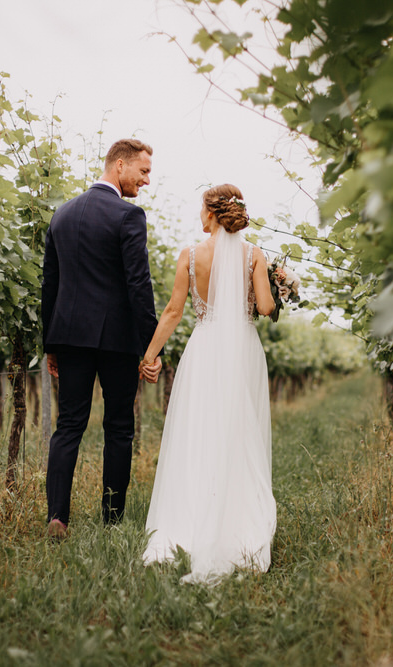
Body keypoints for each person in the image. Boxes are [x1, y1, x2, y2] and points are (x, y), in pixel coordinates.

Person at [138, 184, 276, 584]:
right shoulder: (255, 255)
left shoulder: (190, 256)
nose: (199, 216)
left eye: (201, 208)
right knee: (239, 430)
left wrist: (149, 356)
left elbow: (172, 312)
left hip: (204, 349)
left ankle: (191, 516)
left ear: (213, 213)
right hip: (242, 349)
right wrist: (278, 284)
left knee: (199, 430)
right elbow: (265, 308)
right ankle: (239, 519)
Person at [40, 138, 161, 540]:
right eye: (143, 171)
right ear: (120, 165)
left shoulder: (62, 214)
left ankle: (58, 516)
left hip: (70, 337)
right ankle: (111, 519)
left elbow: (50, 286)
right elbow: (138, 285)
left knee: (68, 425)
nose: (146, 181)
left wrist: (50, 345)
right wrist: (151, 345)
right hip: (116, 340)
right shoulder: (128, 216)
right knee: (119, 427)